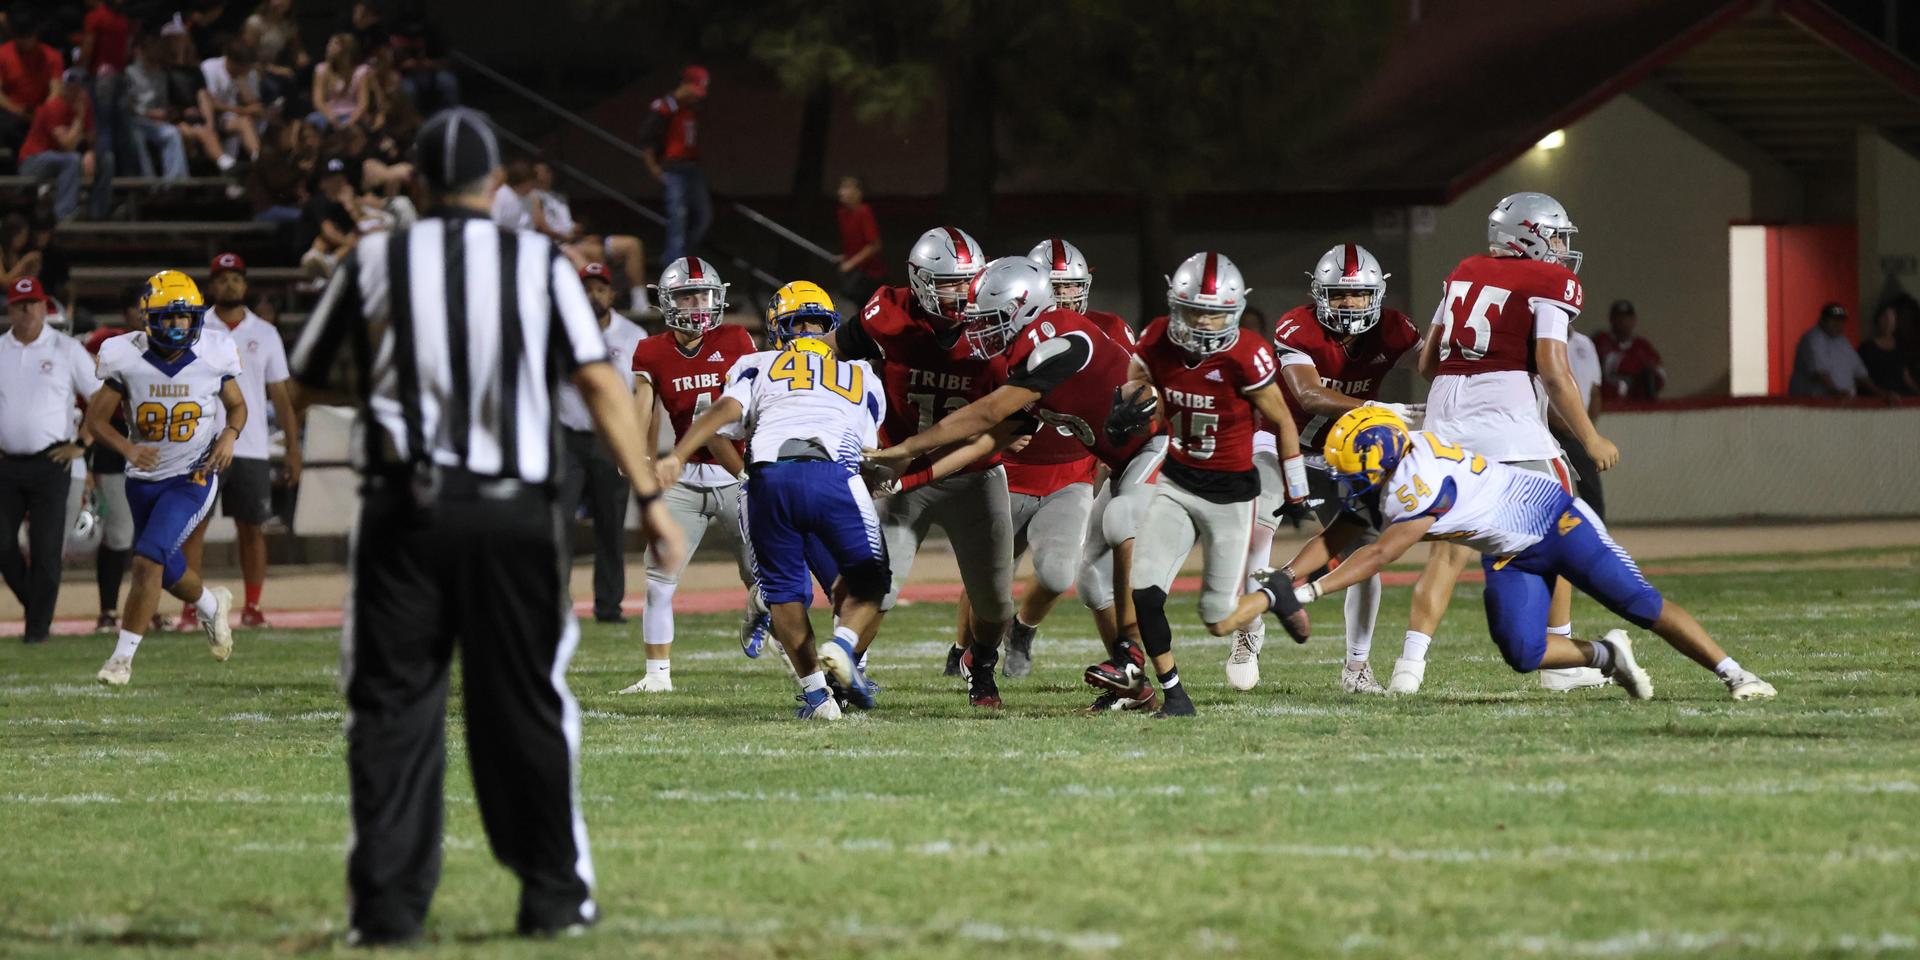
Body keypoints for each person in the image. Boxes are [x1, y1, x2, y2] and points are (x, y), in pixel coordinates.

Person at [286, 107, 683, 946]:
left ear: (419, 186)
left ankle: (389, 913)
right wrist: (649, 498)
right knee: (527, 704)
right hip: (513, 512)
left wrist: (398, 376)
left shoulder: (380, 257)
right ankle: (551, 896)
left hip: (406, 512)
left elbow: (310, 375)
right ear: (496, 185)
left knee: (393, 708)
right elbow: (601, 384)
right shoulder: (539, 262)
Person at [1229, 407, 1778, 703]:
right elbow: (1337, 534)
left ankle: (1736, 674)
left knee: (1640, 603)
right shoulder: (1392, 467)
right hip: (1511, 552)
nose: (1349, 483)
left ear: (1382, 460)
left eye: (1355, 472)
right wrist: (1280, 577)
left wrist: (1306, 591)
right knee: (1523, 652)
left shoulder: (1417, 481)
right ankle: (1607, 658)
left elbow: (1379, 556)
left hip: (1556, 523)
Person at [863, 256, 1171, 712]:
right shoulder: (1029, 354)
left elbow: (984, 414)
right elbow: (990, 438)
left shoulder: (1060, 340)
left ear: (1022, 309)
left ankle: (1140, 666)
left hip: (1148, 453)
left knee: (1108, 544)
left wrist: (907, 446)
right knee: (1083, 578)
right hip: (1113, 462)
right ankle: (1134, 686)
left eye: (988, 320)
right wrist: (917, 473)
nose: (978, 330)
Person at [1398, 191, 1619, 696]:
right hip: (1504, 418)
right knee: (1563, 529)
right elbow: (1554, 368)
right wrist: (1590, 436)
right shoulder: (1551, 280)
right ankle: (1559, 659)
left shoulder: (1464, 270)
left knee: (1450, 547)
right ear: (1529, 234)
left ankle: (1408, 668)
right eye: (1557, 236)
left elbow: (1429, 361)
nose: (1563, 248)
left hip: (1445, 414)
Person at [653, 303, 890, 720]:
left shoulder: (755, 363)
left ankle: (819, 698)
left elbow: (721, 415)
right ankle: (846, 650)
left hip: (766, 480)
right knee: (869, 583)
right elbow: (870, 448)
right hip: (832, 476)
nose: (808, 330)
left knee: (786, 592)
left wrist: (678, 454)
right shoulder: (862, 373)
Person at [816, 227, 1018, 706]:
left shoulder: (995, 320)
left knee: (995, 603)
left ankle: (980, 663)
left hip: (974, 473)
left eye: (968, 280)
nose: (962, 293)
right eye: (949, 282)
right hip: (896, 473)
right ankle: (842, 680)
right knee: (875, 585)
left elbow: (1017, 400)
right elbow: (831, 352)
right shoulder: (887, 313)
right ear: (921, 281)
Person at [1101, 251, 1307, 717]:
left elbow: (1283, 424)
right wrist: (1126, 416)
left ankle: (1273, 594)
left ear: (1233, 313)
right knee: (1146, 592)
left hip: (1231, 497)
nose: (1203, 323)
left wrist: (1296, 493)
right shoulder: (1155, 339)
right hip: (1176, 483)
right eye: (1194, 310)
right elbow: (1141, 393)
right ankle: (1174, 694)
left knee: (1216, 620)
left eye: (1215, 314)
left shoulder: (1247, 354)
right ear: (1176, 305)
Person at [949, 239, 1135, 678]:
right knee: (988, 574)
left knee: (1057, 574)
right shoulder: (1002, 336)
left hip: (1071, 471)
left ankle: (1024, 629)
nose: (1067, 296)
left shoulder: (1109, 329)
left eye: (1073, 287)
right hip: (1009, 471)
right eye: (1057, 286)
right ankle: (961, 651)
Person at [1260, 243, 1422, 694]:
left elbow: (1439, 367)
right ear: (1318, 294)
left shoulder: (1395, 329)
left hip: (1341, 451)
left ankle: (1356, 668)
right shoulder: (1298, 327)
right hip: (1282, 440)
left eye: (1357, 295)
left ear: (1377, 295)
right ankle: (1248, 632)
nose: (1348, 304)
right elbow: (1310, 397)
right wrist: (1378, 408)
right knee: (1257, 525)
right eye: (1337, 295)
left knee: (1365, 556)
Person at [83, 270, 241, 684]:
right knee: (165, 567)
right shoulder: (125, 355)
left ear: (196, 318)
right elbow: (96, 420)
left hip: (194, 475)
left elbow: (237, 407)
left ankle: (120, 661)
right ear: (147, 317)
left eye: (183, 317)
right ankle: (210, 604)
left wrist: (228, 436)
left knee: (147, 559)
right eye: (167, 317)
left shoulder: (214, 353)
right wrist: (128, 448)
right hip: (142, 478)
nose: (176, 325)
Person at [616, 256, 762, 693]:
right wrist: (637, 457)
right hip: (685, 478)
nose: (698, 303)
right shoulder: (652, 351)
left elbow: (758, 400)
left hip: (738, 476)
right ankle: (657, 676)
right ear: (667, 302)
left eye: (704, 294)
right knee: (659, 577)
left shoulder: (737, 339)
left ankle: (799, 666)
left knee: (767, 578)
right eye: (687, 295)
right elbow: (645, 410)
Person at [194, 253, 300, 627]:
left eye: (236, 277)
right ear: (211, 285)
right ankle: (193, 605)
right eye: (222, 278)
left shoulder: (265, 333)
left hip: (252, 445)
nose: (229, 284)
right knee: (193, 526)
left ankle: (252, 606)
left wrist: (293, 449)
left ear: (246, 284)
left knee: (252, 528)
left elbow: (281, 397)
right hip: (203, 445)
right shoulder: (196, 328)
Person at [1, 277, 101, 644]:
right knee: (2, 544)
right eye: (19, 304)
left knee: (45, 548)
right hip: (6, 462)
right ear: (9, 308)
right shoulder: (0, 349)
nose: (27, 310)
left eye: (33, 303)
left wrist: (83, 443)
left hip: (53, 461)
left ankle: (37, 631)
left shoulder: (66, 348)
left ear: (45, 307)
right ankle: (37, 606)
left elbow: (102, 397)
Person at [554, 262, 647, 625]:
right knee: (559, 524)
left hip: (611, 440)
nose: (593, 295)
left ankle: (609, 607)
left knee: (612, 526)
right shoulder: (559, 331)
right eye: (586, 288)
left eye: (600, 288)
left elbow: (642, 393)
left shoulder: (633, 335)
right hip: (568, 438)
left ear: (611, 294)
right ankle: (557, 608)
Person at [82, 285, 145, 633]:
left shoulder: (172, 348)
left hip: (156, 450)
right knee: (120, 534)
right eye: (139, 309)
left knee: (150, 537)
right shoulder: (111, 347)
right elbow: (94, 407)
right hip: (116, 447)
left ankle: (145, 610)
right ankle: (108, 609)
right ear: (126, 313)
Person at [533, 161, 650, 312]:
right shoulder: (533, 196)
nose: (544, 175)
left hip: (576, 239)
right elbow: (541, 226)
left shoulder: (558, 196)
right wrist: (568, 236)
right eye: (539, 172)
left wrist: (581, 233)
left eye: (547, 171)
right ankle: (603, 305)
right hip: (559, 243)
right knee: (595, 252)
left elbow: (568, 224)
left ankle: (640, 302)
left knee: (632, 244)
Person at [640, 65, 711, 265]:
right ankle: (674, 266)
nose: (697, 97)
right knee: (677, 220)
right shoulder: (665, 107)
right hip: (672, 168)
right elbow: (647, 138)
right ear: (685, 85)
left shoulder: (690, 108)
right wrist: (653, 167)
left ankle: (684, 260)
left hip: (691, 168)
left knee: (703, 217)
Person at [18, 72, 92, 222]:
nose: (75, 92)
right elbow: (68, 145)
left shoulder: (83, 107)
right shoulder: (54, 106)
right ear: (64, 87)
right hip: (31, 162)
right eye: (71, 88)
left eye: (78, 89)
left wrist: (91, 152)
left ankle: (91, 211)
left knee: (101, 159)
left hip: (55, 162)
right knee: (73, 159)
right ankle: (62, 214)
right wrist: (79, 119)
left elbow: (92, 138)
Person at [1553, 325, 1607, 517]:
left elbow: (1595, 391)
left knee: (1592, 492)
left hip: (1580, 432)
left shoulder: (1585, 344)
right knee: (1551, 491)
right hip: (1551, 431)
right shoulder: (1543, 339)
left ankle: (1597, 539)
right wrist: (1560, 422)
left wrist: (1586, 428)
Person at [1789, 303, 1882, 399]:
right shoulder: (1813, 338)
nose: (1838, 323)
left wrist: (1880, 393)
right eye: (1833, 319)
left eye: (1841, 320)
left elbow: (1860, 373)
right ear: (1822, 320)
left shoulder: (1843, 342)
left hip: (1840, 404)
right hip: (1814, 404)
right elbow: (1820, 373)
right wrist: (1835, 392)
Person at [0, 7, 63, 149]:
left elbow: (55, 92)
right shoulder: (2, 54)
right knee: (9, 125)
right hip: (12, 112)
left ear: (36, 34)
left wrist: (40, 115)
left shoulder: (52, 56)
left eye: (29, 36)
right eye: (21, 37)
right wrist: (17, 110)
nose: (25, 41)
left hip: (41, 112)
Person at [198, 39, 264, 164]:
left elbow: (255, 105)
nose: (247, 71)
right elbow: (208, 102)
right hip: (210, 117)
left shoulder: (249, 73)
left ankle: (257, 158)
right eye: (244, 67)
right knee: (242, 120)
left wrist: (242, 83)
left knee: (246, 121)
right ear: (233, 62)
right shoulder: (210, 67)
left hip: (232, 118)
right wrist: (240, 110)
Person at [1592, 299, 1666, 401]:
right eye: (1619, 317)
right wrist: (1637, 363)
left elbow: (1660, 375)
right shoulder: (1601, 341)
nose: (1623, 321)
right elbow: (1607, 366)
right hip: (1608, 404)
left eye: (1627, 317)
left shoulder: (1642, 346)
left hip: (1637, 405)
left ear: (1634, 320)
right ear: (1611, 319)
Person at [834, 175, 885, 306]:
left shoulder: (864, 212)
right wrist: (846, 257)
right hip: (858, 271)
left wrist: (851, 263)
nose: (841, 192)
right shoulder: (842, 213)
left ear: (858, 193)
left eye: (846, 188)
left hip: (870, 274)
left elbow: (874, 245)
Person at [308, 32, 368, 129]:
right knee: (312, 119)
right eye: (329, 44)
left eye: (334, 44)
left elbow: (363, 103)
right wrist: (330, 116)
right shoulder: (321, 70)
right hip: (330, 114)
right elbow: (318, 100)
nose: (329, 47)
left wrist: (350, 122)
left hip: (352, 114)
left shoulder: (361, 71)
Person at [1859, 305, 1919, 396]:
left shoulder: (1901, 346)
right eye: (1885, 317)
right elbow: (1862, 378)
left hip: (1902, 396)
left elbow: (1906, 376)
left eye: (1892, 318)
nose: (1888, 322)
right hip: (1879, 398)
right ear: (1878, 320)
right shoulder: (1867, 348)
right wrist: (1884, 394)